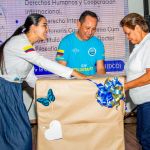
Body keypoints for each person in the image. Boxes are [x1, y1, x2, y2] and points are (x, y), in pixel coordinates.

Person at [0, 13, 90, 150]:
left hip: (13, 91)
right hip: (4, 90)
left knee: (16, 134)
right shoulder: (20, 43)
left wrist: (47, 93)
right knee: (19, 136)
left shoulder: (26, 46)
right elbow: (40, 61)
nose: (47, 29)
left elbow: (30, 78)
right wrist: (73, 72)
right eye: (44, 25)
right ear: (33, 27)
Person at [120, 13, 150, 150]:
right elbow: (135, 74)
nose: (127, 37)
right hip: (143, 104)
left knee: (146, 139)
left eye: (128, 33)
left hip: (148, 102)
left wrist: (124, 86)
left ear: (137, 28)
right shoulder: (140, 45)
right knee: (142, 137)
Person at [55, 10, 106, 76]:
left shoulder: (98, 43)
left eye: (93, 29)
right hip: (71, 84)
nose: (90, 32)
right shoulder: (64, 42)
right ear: (78, 24)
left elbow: (100, 69)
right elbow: (61, 69)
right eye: (87, 28)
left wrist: (101, 81)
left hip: (91, 83)